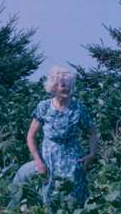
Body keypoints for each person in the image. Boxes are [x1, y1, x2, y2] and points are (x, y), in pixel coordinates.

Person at [26, 66, 99, 206]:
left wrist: (92, 154)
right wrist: (38, 162)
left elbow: (93, 133)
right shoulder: (44, 107)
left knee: (74, 199)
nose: (67, 89)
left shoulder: (78, 108)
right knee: (50, 197)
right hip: (49, 160)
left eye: (69, 85)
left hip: (73, 160)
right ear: (54, 87)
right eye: (63, 85)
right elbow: (30, 136)